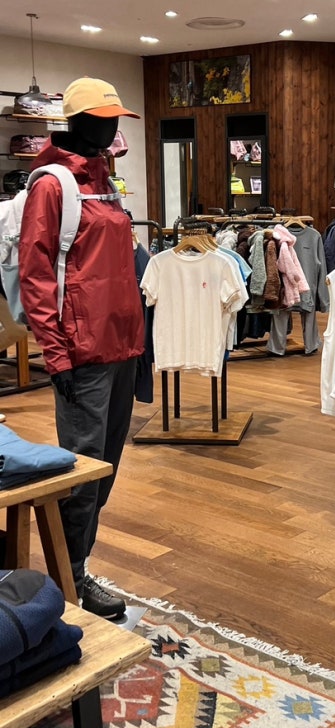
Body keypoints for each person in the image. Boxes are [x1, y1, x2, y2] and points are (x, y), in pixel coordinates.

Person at [18, 78, 144, 619]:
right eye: (101, 118)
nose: (111, 128)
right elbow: (35, 274)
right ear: (74, 121)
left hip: (122, 347)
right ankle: (67, 585)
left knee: (105, 470)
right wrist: (56, 353)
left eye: (115, 118)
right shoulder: (52, 185)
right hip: (83, 354)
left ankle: (77, 567)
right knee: (82, 475)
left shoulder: (103, 177)